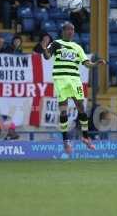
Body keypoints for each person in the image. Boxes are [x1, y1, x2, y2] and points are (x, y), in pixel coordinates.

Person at [41, 23, 106, 154]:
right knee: (63, 110)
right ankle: (66, 141)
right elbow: (47, 57)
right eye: (69, 29)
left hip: (75, 80)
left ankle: (86, 137)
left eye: (73, 29)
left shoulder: (77, 47)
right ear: (63, 31)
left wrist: (95, 64)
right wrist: (44, 48)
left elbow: (86, 64)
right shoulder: (56, 44)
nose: (71, 32)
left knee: (81, 107)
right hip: (61, 80)